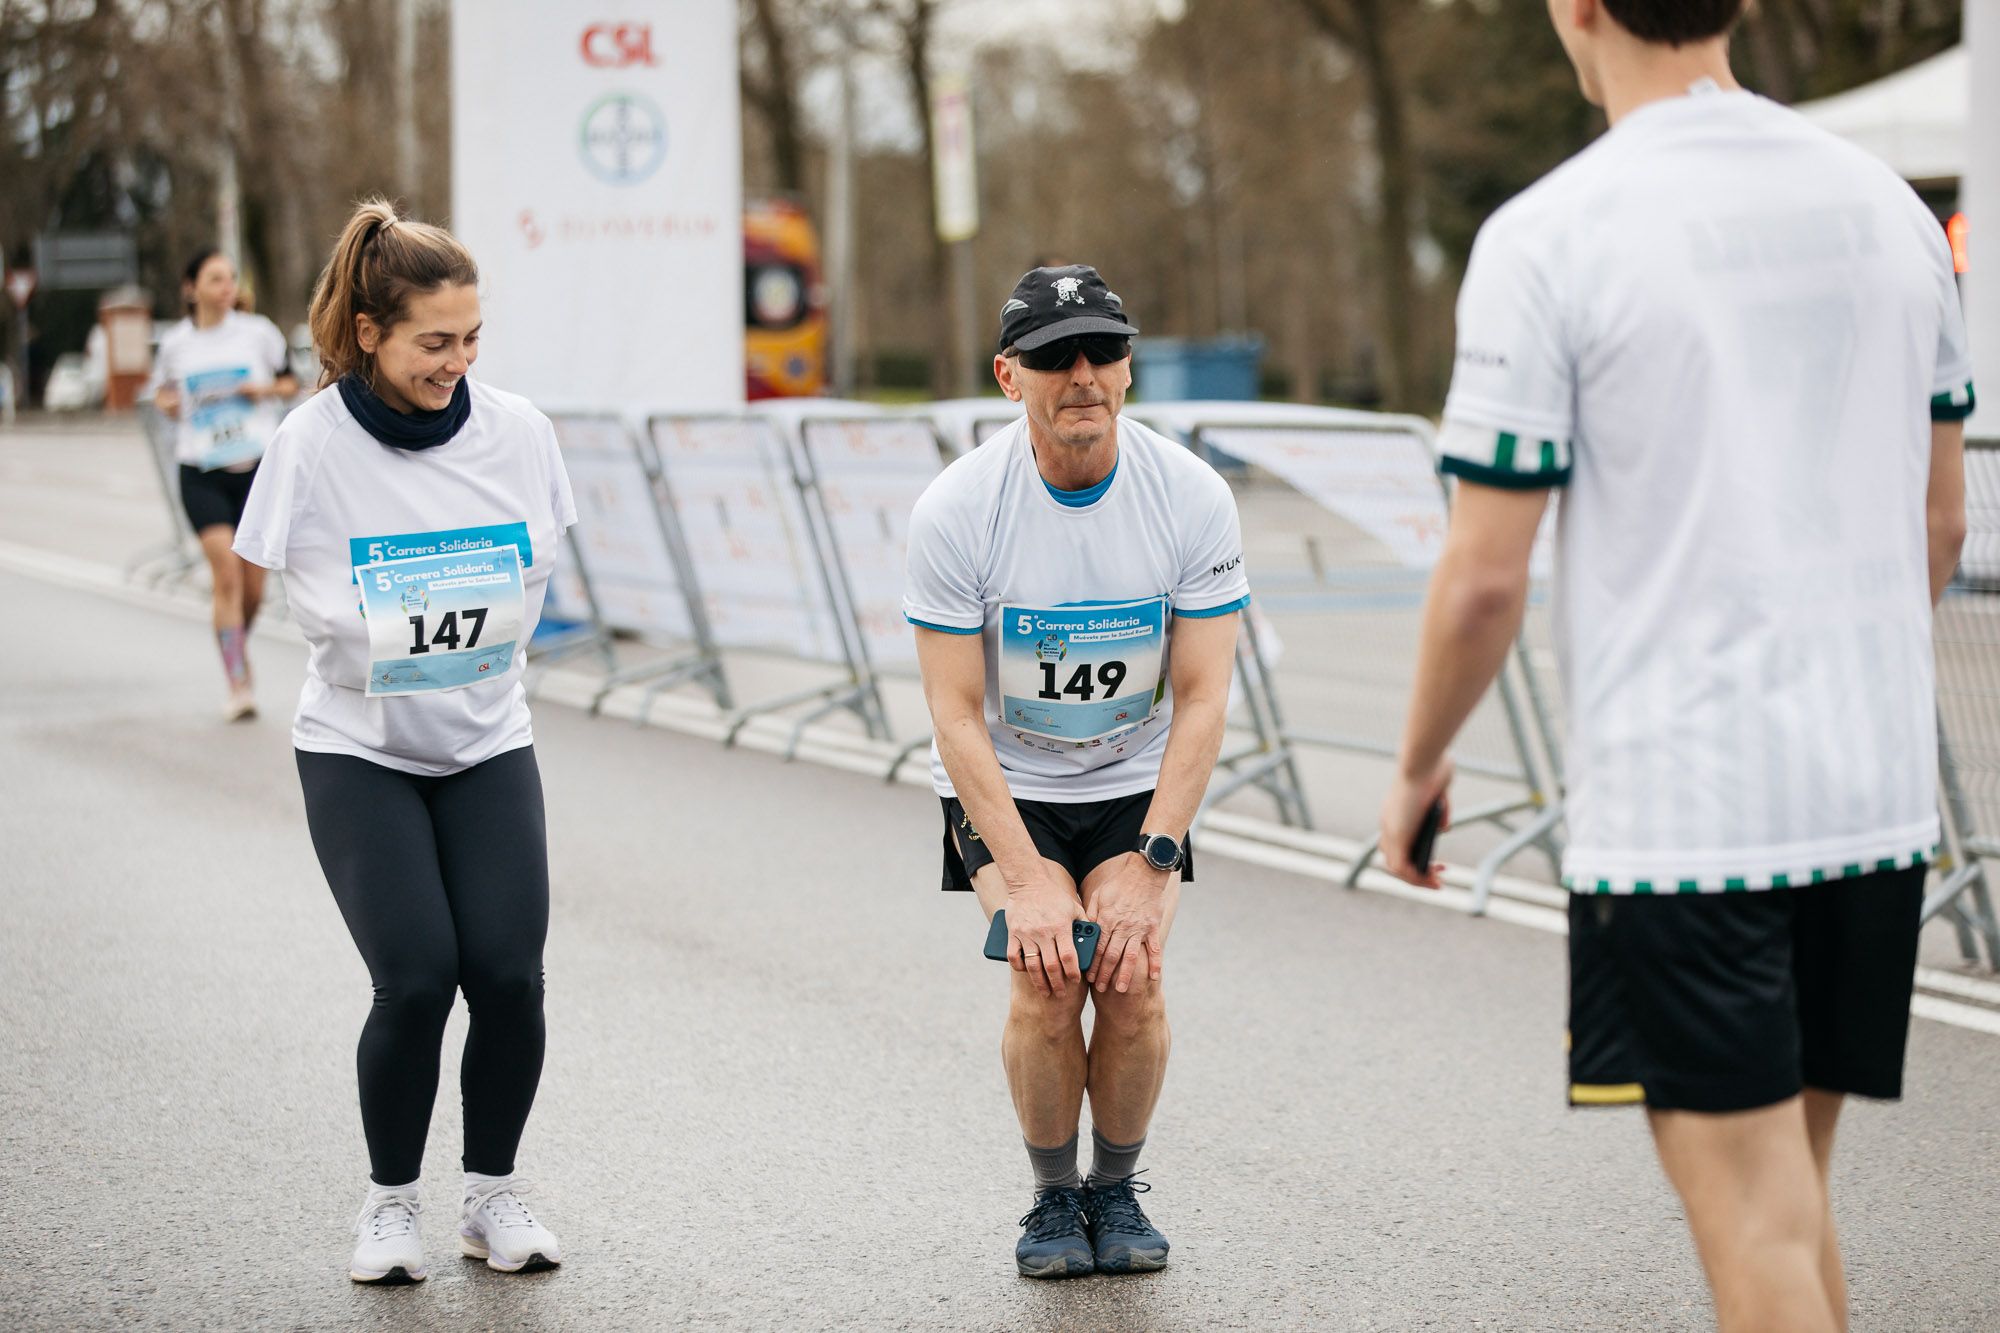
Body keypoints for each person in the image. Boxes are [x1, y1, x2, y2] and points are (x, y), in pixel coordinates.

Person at [1378, 3, 1973, 1329]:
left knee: (1755, 1230)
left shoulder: (1551, 234)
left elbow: (1483, 578)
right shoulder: (1883, 206)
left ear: (1575, 8)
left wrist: (1418, 763)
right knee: (1792, 1202)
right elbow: (1941, 521)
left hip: (1690, 819)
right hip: (1869, 799)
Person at [233, 199, 575, 1285]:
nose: (457, 361)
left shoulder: (517, 431)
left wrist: (458, 611)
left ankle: (491, 1196)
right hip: (360, 750)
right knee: (419, 976)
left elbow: (534, 576)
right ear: (370, 332)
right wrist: (399, 621)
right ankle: (389, 1208)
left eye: (472, 338)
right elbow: (303, 598)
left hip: (484, 739)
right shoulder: (311, 444)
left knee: (509, 976)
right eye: (436, 341)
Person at [904, 265, 1249, 1278]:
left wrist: (1151, 862)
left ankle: (1115, 1188)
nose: (1081, 375)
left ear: (1128, 368)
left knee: (1130, 978)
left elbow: (1202, 697)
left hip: (1135, 774)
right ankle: (1053, 1200)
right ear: (1010, 377)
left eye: (1100, 352)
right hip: (1005, 781)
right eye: (1055, 358)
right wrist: (1023, 882)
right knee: (1045, 976)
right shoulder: (957, 508)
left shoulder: (1189, 495)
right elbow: (953, 713)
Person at [148, 249, 298, 719]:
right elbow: (161, 391)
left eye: (231, 278)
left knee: (253, 590)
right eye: (215, 279)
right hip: (201, 469)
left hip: (256, 470)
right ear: (190, 288)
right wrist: (168, 403)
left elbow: (292, 382)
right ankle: (237, 682)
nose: (226, 287)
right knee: (226, 576)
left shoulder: (259, 333)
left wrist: (265, 391)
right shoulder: (176, 343)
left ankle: (236, 644)